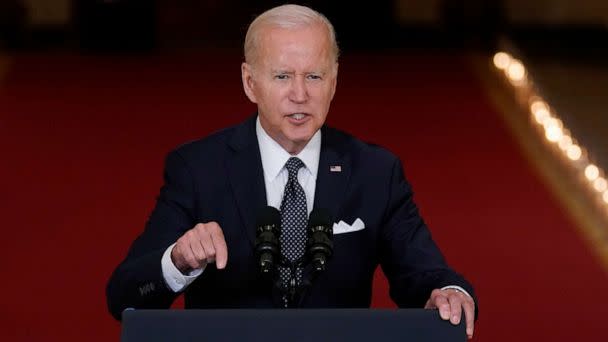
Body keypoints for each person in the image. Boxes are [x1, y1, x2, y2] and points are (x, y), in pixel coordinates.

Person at [106, 4, 477, 339]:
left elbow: (425, 274)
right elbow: (124, 294)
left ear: (334, 82)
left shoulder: (375, 171)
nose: (300, 94)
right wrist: (178, 260)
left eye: (314, 77)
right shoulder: (198, 169)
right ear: (250, 83)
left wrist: (449, 293)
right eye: (283, 77)